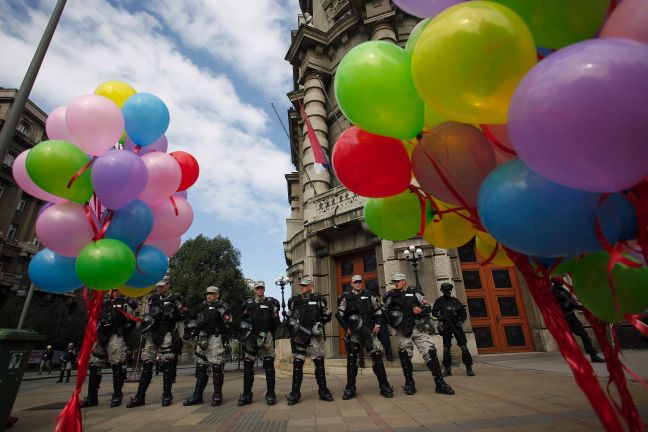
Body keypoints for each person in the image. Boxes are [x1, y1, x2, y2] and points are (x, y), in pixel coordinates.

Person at [383, 273, 454, 396]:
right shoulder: (390, 295)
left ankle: (440, 383)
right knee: (405, 355)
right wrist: (393, 324)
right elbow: (385, 312)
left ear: (404, 281)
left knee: (430, 351)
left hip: (418, 327)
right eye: (395, 281)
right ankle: (409, 383)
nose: (396, 283)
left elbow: (427, 306)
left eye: (398, 281)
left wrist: (421, 310)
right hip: (403, 330)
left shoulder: (415, 292)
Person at [126, 275, 188, 408]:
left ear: (168, 284)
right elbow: (147, 315)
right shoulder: (153, 299)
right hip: (152, 333)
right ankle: (140, 396)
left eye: (162, 285)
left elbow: (184, 314)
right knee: (147, 363)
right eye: (158, 285)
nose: (160, 287)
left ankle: (167, 395)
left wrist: (174, 313)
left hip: (167, 332)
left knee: (167, 362)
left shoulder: (175, 298)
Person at [336, 274, 393, 400]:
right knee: (351, 360)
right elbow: (339, 314)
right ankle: (350, 389)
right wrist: (347, 329)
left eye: (359, 282)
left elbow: (378, 311)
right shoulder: (346, 297)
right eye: (355, 282)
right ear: (351, 284)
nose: (357, 284)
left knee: (377, 357)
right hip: (354, 333)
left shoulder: (370, 295)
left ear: (362, 283)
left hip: (368, 331)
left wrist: (378, 324)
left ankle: (385, 387)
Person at [83, 289, 138, 407]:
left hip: (115, 335)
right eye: (113, 290)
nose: (116, 292)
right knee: (94, 364)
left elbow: (132, 321)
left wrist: (122, 332)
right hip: (101, 335)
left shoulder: (124, 303)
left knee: (116, 364)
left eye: (118, 290)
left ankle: (117, 395)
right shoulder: (102, 303)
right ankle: (92, 397)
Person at [285, 277, 334, 405]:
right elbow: (289, 318)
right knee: (297, 364)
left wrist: (320, 324)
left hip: (315, 336)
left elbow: (327, 314)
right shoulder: (294, 301)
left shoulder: (318, 299)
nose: (302, 287)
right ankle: (295, 394)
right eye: (301, 285)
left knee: (319, 362)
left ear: (311, 286)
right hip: (300, 336)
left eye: (305, 285)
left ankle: (323, 391)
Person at [183, 286, 232, 407]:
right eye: (207, 293)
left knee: (216, 366)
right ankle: (197, 395)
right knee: (201, 366)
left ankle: (217, 394)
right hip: (202, 337)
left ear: (217, 295)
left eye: (212, 293)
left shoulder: (222, 306)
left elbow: (228, 323)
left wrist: (223, 335)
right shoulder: (202, 306)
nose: (209, 295)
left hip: (215, 338)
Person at [237, 281, 281, 406]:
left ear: (264, 289)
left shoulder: (271, 303)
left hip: (266, 336)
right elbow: (242, 321)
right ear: (254, 290)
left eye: (261, 288)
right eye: (257, 288)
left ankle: (270, 394)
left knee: (269, 364)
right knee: (248, 365)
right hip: (251, 337)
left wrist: (270, 334)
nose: (260, 290)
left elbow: (276, 321)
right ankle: (246, 395)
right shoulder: (248, 304)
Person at [552, 279, 604, 363]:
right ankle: (573, 357)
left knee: (584, 334)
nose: (562, 281)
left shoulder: (563, 290)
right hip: (563, 318)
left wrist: (581, 307)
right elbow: (555, 305)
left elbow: (572, 301)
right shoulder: (553, 291)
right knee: (568, 338)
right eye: (559, 279)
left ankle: (593, 355)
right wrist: (566, 305)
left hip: (571, 315)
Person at [432, 283, 475, 377]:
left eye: (449, 291)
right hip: (446, 326)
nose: (448, 292)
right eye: (446, 291)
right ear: (443, 291)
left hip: (456, 325)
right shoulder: (439, 301)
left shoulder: (455, 301)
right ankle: (447, 369)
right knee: (446, 348)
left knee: (463, 346)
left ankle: (469, 367)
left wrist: (460, 321)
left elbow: (463, 313)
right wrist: (440, 316)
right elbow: (434, 312)